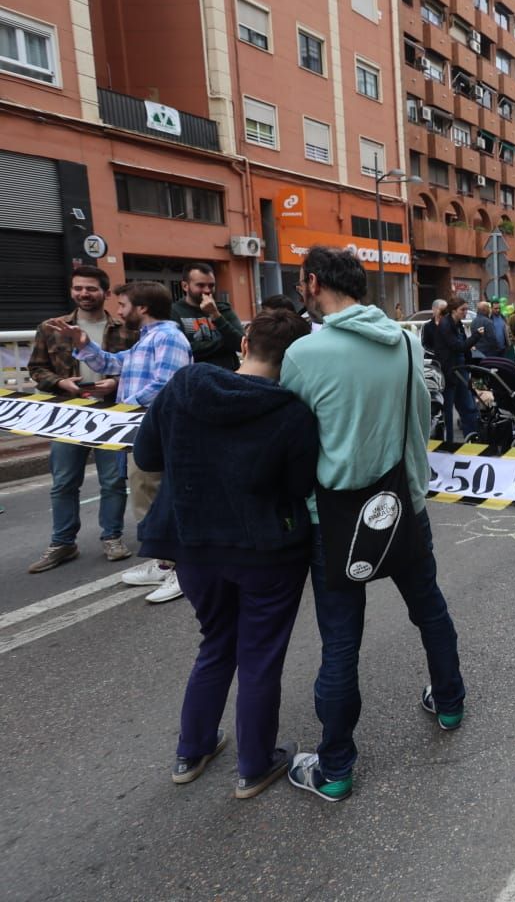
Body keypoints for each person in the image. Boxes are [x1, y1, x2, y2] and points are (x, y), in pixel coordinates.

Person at [279, 247, 466, 803]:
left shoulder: (303, 353)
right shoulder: (405, 343)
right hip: (403, 503)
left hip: (333, 517)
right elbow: (420, 421)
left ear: (314, 283)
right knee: (429, 609)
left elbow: (292, 442)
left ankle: (336, 768)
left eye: (302, 282)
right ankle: (449, 703)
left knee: (341, 642)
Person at [132, 308, 317, 798]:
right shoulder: (292, 412)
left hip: (193, 546)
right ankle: (254, 766)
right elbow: (299, 485)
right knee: (260, 657)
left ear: (245, 344)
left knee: (215, 643)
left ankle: (191, 751)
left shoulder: (185, 385)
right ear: (295, 360)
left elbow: (147, 456)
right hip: (267, 553)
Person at [46, 281, 192, 604]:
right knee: (145, 497)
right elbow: (112, 364)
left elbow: (166, 385)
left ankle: (182, 570)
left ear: (143, 308)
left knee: (158, 500)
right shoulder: (147, 340)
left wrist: (121, 410)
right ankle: (165, 562)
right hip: (140, 433)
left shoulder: (168, 338)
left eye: (124, 305)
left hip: (156, 433)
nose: (120, 311)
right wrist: (84, 344)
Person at [25, 266, 137, 574]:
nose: (83, 294)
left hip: (112, 414)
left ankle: (112, 537)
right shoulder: (51, 327)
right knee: (63, 482)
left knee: (113, 481)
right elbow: (36, 368)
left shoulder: (126, 328)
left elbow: (137, 368)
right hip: (68, 414)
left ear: (105, 292)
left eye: (90, 288)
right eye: (78, 288)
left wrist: (115, 382)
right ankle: (63, 542)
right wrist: (61, 382)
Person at [171, 262, 246, 371]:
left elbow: (241, 344)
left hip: (229, 375)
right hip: (196, 377)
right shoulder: (174, 311)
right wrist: (225, 343)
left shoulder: (224, 309)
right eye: (200, 285)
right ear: (185, 286)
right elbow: (183, 349)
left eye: (211, 285)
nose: (207, 290)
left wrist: (215, 315)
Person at [437, 299, 481, 441]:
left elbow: (462, 347)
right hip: (450, 372)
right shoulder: (445, 325)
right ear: (453, 310)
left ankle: (472, 439)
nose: (465, 312)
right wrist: (476, 336)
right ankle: (449, 442)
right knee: (448, 411)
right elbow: (458, 347)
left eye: (466, 309)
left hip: (460, 369)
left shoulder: (458, 324)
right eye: (463, 309)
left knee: (468, 406)